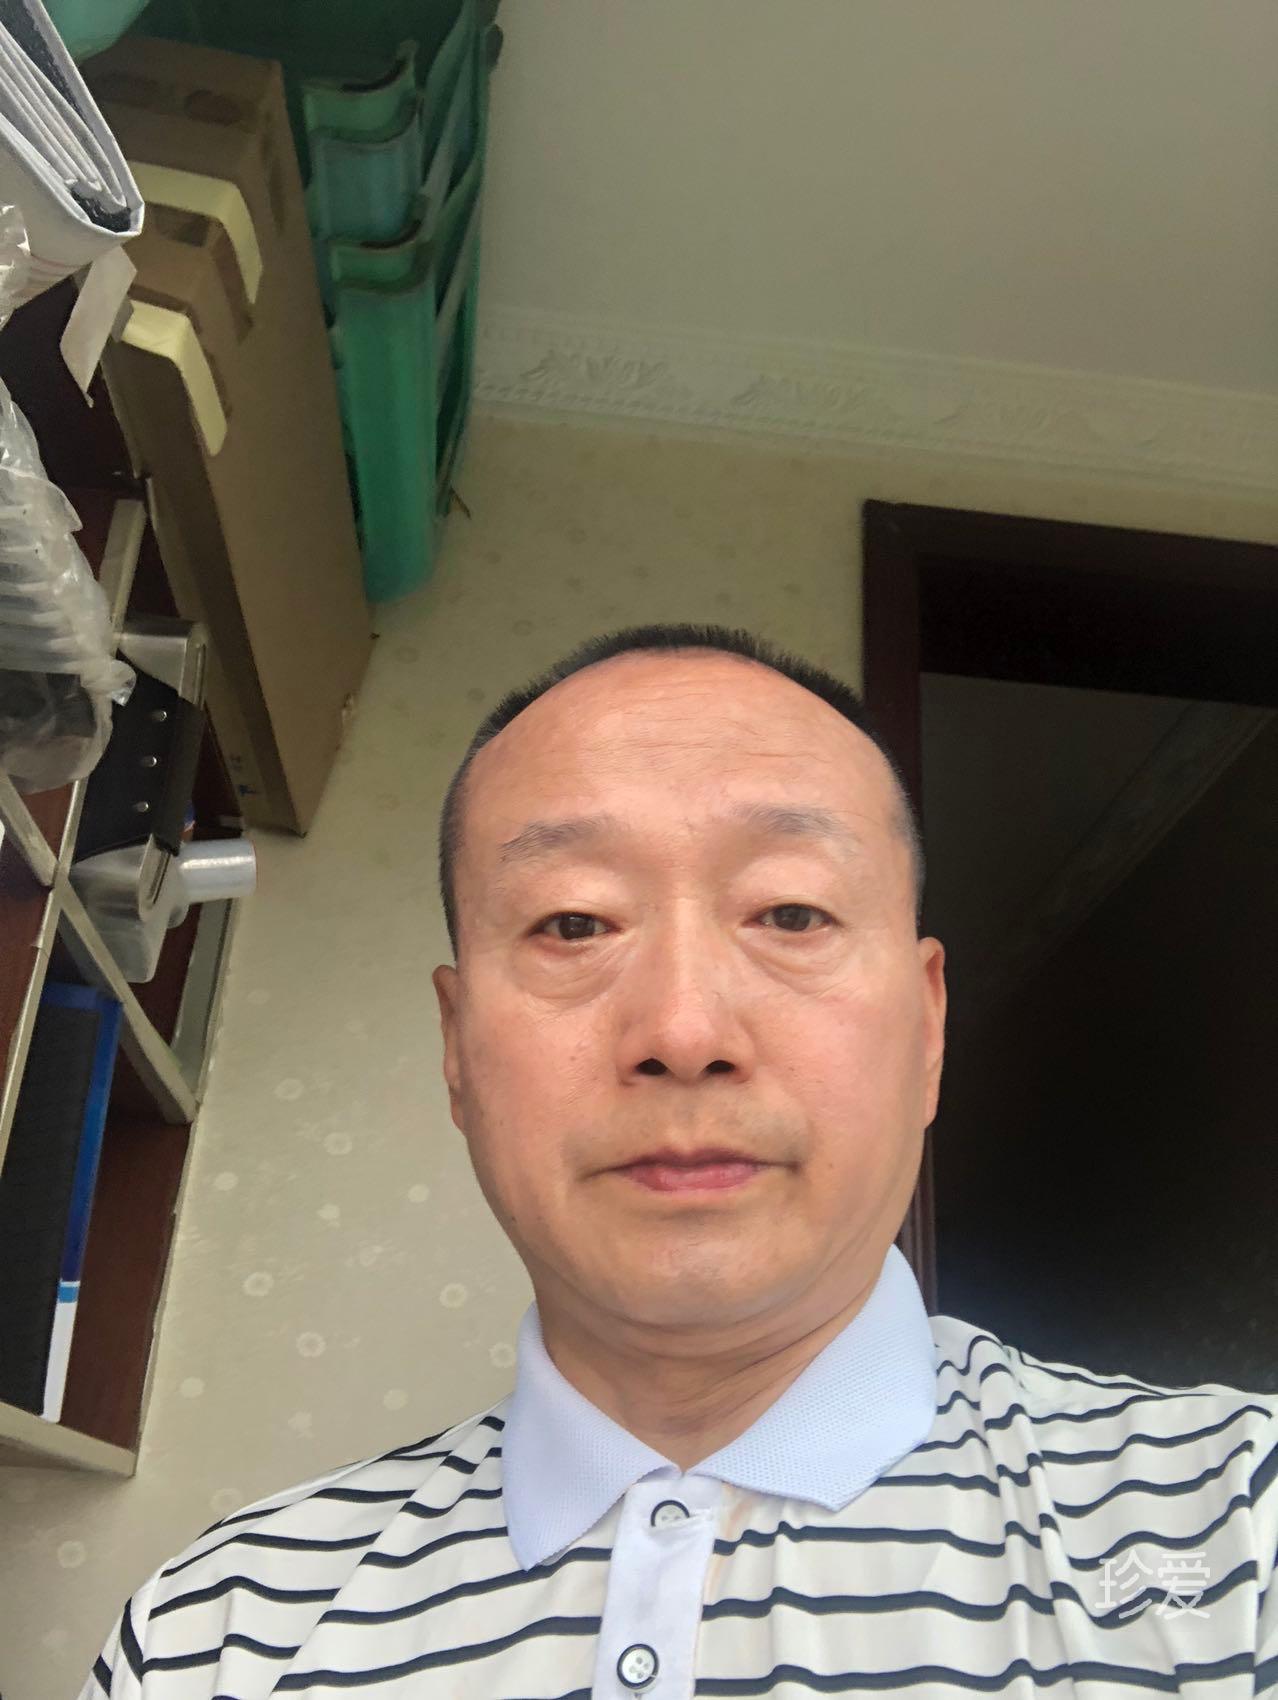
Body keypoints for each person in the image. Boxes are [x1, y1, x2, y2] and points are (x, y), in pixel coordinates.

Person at [83, 624, 1277, 1697]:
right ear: (456, 1046)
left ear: (926, 1027)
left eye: (792, 913)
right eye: (572, 922)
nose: (685, 1029)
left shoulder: (1242, 1527)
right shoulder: (219, 1635)